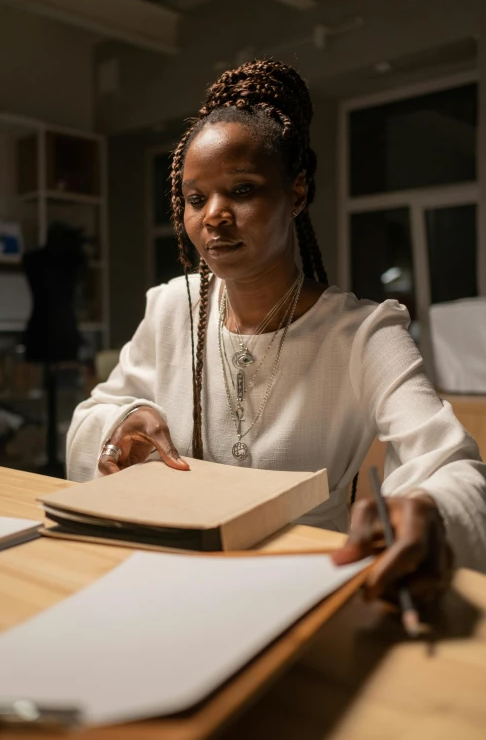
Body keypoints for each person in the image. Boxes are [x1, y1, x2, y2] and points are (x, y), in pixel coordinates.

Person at [67, 59, 486, 598]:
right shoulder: (173, 308)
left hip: (307, 587)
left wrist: (431, 511)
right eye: (196, 199)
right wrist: (122, 421)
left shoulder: (363, 335)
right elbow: (85, 424)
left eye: (242, 190)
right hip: (172, 577)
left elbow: (456, 468)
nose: (214, 215)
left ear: (297, 192)